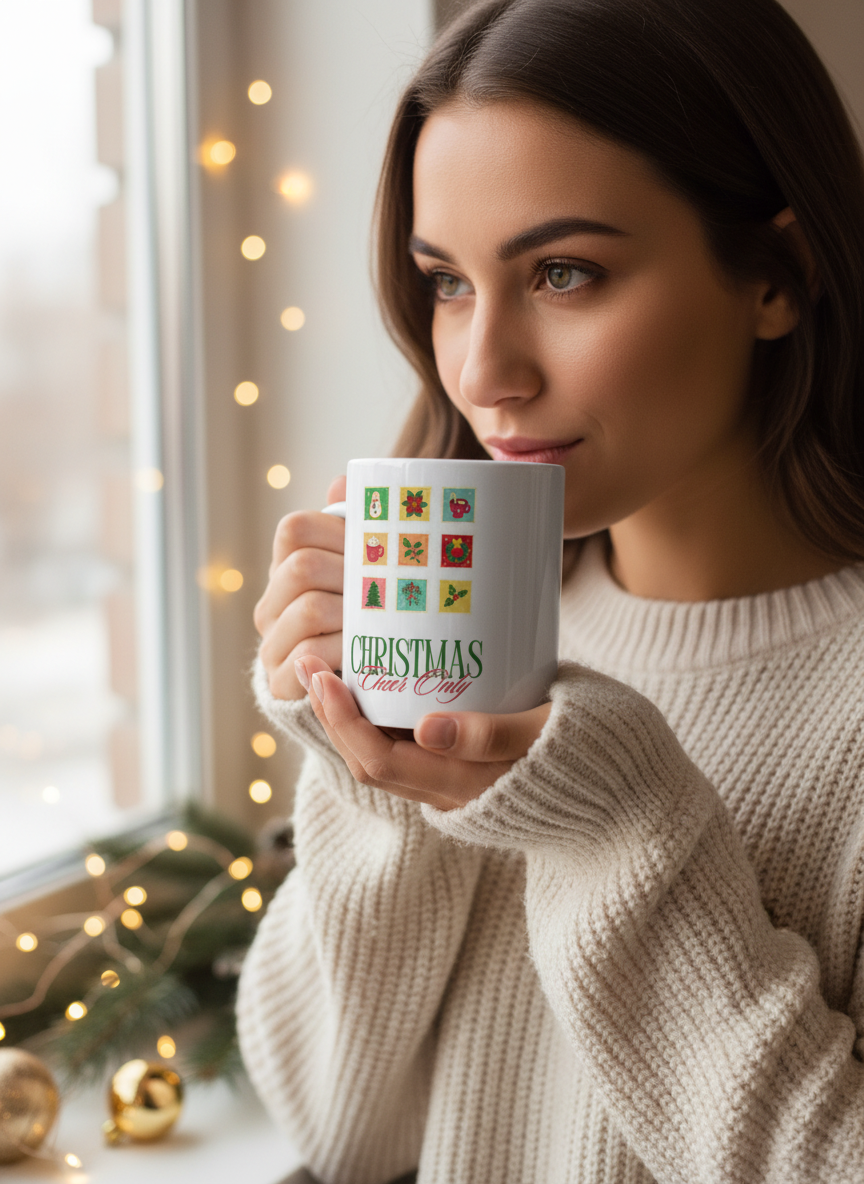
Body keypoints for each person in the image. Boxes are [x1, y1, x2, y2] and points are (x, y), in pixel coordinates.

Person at [236, 0, 864, 1180]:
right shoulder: (473, 632)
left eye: (565, 272)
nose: (483, 374)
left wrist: (622, 818)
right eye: (448, 282)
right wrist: (365, 764)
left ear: (777, 275)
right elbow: (344, 1131)